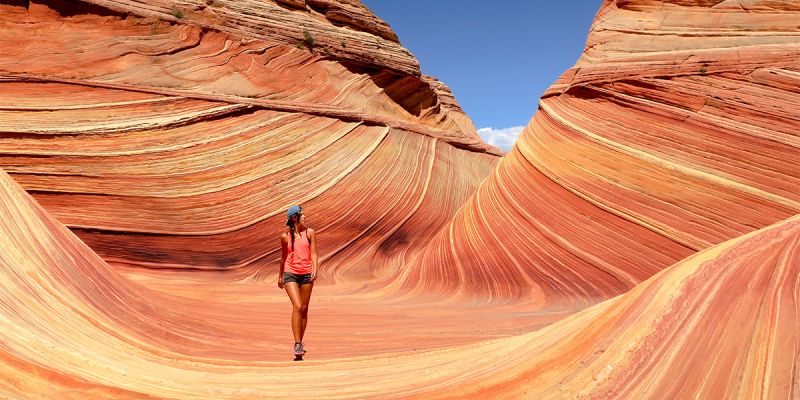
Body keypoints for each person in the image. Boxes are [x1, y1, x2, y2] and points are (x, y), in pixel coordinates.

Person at [278, 205, 318, 357]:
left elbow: (314, 253)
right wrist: (280, 276)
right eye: (302, 214)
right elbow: (283, 257)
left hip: (307, 273)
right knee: (298, 306)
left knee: (304, 309)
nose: (305, 217)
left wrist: (315, 269)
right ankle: (297, 343)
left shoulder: (310, 233)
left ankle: (300, 341)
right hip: (291, 273)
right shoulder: (285, 236)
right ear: (295, 217)